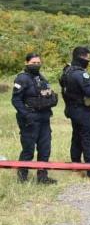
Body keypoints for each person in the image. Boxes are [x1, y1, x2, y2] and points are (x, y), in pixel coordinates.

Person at [11, 53, 58, 184]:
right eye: (33, 63)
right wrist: (26, 115)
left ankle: (43, 177)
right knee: (28, 150)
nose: (36, 65)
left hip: (44, 118)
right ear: (26, 63)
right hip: (29, 120)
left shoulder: (41, 78)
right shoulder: (22, 78)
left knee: (45, 149)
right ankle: (22, 178)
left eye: (38, 63)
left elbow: (47, 94)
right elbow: (16, 100)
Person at [60, 46, 90, 178]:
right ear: (81, 57)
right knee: (88, 139)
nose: (88, 61)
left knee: (77, 137)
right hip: (83, 110)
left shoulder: (67, 71)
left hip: (71, 108)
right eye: (87, 58)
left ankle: (75, 164)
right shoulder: (80, 73)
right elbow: (89, 91)